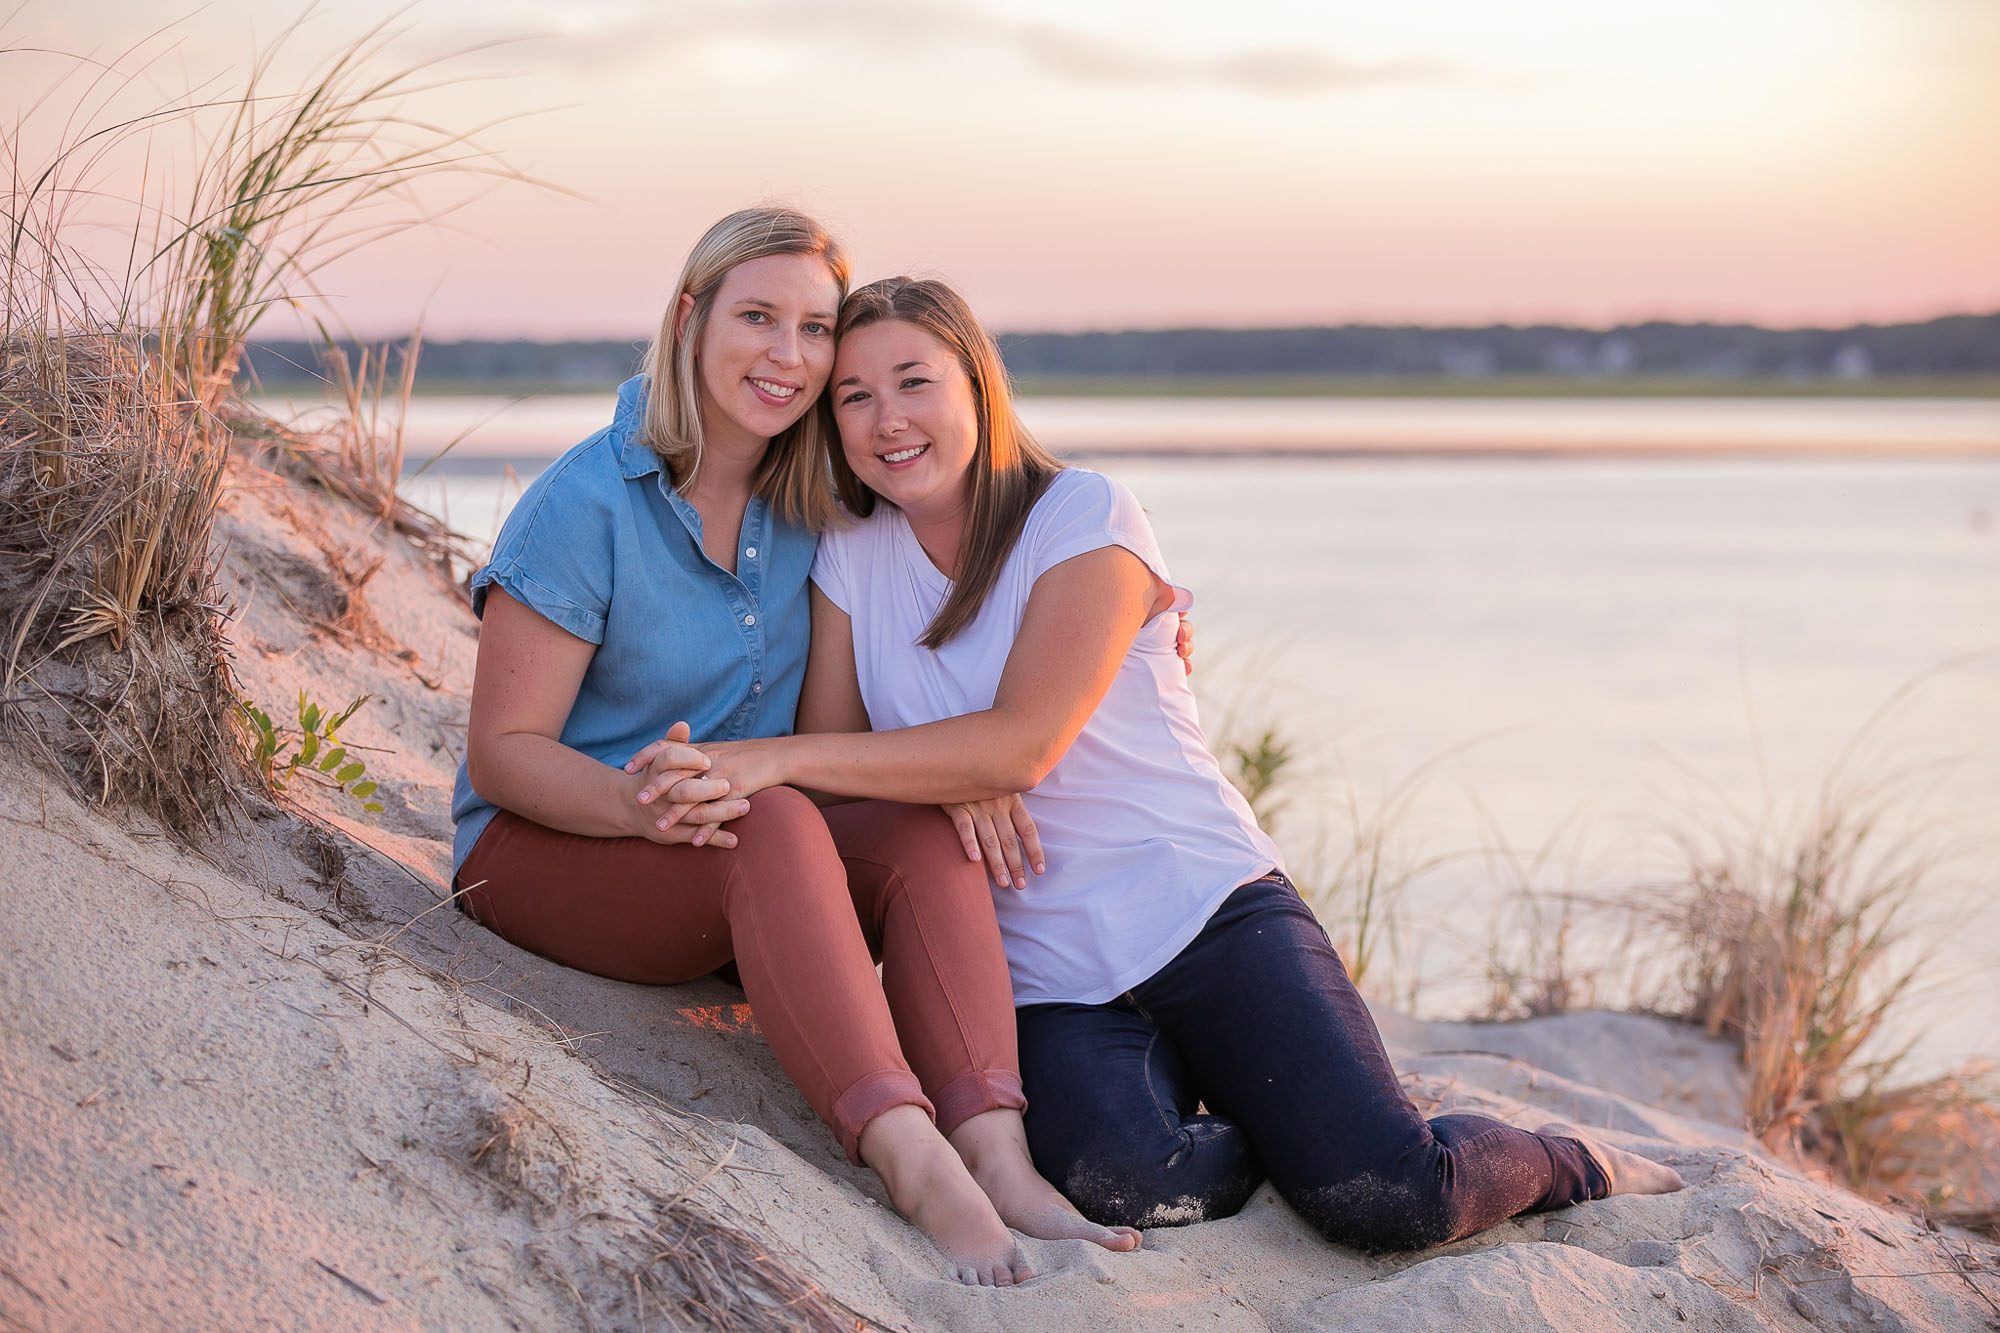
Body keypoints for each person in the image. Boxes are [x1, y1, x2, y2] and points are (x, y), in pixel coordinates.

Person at [635, 275, 1688, 1252]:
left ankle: (1562, 1158)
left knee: (1384, 1198)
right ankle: (1278, 1116)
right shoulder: (850, 555)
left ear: (976, 385)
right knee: (1120, 1180)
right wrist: (938, 773)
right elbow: (842, 775)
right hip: (1039, 965)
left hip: (1198, 905)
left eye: (915, 382)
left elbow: (1020, 741)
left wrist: (889, 762)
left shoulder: (1081, 515)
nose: (886, 419)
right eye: (854, 397)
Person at [451, 208, 1139, 1287]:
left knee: (914, 825)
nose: (789, 356)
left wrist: (1142, 600)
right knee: (767, 813)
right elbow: (501, 754)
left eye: (815, 329)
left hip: (737, 853)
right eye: (758, 318)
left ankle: (993, 1153)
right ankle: (909, 1157)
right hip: (547, 847)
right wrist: (637, 808)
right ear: (690, 320)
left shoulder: (816, 496)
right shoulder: (584, 501)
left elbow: (986, 544)